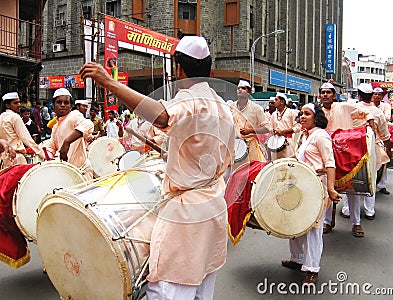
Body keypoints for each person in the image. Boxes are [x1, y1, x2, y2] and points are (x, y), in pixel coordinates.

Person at [80, 35, 235, 300]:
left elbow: (163, 116)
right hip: (213, 207)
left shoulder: (191, 99)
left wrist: (109, 82)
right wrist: (173, 154)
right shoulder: (223, 107)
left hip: (187, 214)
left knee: (169, 288)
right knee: (201, 287)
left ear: (179, 69)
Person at [281, 103, 340, 285]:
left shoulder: (321, 136)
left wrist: (330, 189)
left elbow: (330, 163)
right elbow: (300, 157)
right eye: (301, 114)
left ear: (317, 117)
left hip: (316, 188)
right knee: (296, 223)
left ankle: (312, 268)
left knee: (314, 229)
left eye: (307, 114)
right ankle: (297, 259)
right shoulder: (306, 136)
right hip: (301, 187)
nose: (302, 117)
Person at [318, 82, 375, 237]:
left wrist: (370, 126)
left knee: (352, 189)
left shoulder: (343, 106)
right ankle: (327, 222)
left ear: (334, 95)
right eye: (323, 92)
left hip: (346, 152)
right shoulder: (318, 112)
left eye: (329, 92)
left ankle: (356, 223)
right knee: (326, 187)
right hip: (327, 154)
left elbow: (364, 112)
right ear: (319, 95)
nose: (325, 95)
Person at [340, 83, 391, 222]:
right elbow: (385, 135)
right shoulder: (378, 112)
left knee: (349, 178)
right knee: (371, 178)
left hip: (351, 149)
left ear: (359, 95)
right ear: (372, 96)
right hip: (370, 149)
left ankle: (346, 209)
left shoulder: (351, 109)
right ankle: (369, 211)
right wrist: (388, 149)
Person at [45, 88, 94, 180]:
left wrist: (67, 142)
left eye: (66, 103)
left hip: (81, 173)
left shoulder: (74, 115)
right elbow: (52, 146)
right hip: (67, 173)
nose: (63, 105)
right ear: (53, 106)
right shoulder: (56, 126)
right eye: (59, 102)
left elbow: (88, 125)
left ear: (71, 106)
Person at [0, 92, 45, 167]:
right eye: (16, 103)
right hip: (16, 158)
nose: (19, 105)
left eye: (19, 102)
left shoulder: (1, 116)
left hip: (4, 158)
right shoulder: (15, 117)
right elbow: (26, 138)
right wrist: (42, 154)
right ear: (8, 105)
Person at [230, 80, 269, 161]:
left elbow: (267, 128)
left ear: (249, 92)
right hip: (234, 145)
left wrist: (250, 130)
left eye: (243, 88)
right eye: (238, 88)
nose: (240, 90)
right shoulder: (231, 107)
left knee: (252, 171)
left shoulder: (256, 108)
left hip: (250, 145)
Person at [269, 92, 301, 160]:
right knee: (275, 165)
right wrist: (274, 131)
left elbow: (298, 127)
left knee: (288, 163)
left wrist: (283, 131)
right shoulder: (274, 114)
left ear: (282, 102)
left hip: (287, 142)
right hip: (275, 143)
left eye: (276, 100)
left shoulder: (291, 113)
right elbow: (270, 127)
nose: (274, 102)